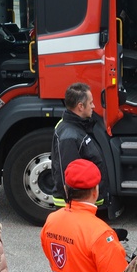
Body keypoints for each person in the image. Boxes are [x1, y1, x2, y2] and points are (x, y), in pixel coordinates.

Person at [52, 83, 109, 212]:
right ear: (80, 107)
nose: (94, 106)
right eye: (91, 103)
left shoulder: (77, 127)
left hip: (85, 203)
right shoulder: (70, 137)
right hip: (79, 206)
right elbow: (71, 177)